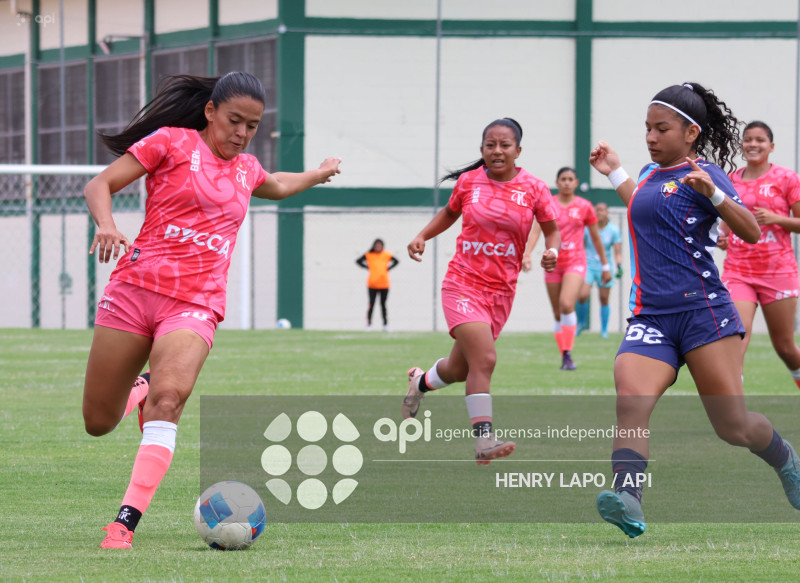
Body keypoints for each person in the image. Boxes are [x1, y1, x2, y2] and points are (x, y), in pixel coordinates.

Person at [82, 72, 341, 549]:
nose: (241, 133)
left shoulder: (246, 169)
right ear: (210, 113)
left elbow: (278, 185)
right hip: (134, 291)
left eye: (253, 126)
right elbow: (101, 183)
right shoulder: (170, 144)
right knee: (99, 422)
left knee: (170, 399)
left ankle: (124, 523)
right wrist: (106, 224)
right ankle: (138, 388)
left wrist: (317, 174)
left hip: (196, 303)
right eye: (234, 121)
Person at [589, 82, 800, 538]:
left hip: (704, 313)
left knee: (734, 427)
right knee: (631, 400)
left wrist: (716, 194)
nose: (650, 136)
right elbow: (647, 204)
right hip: (651, 317)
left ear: (690, 132)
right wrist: (614, 171)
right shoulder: (647, 174)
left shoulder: (706, 174)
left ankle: (785, 458)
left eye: (661, 128)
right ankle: (628, 499)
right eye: (647, 128)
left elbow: (749, 231)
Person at [402, 117, 560, 464]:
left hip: (501, 292)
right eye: (491, 145)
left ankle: (421, 382)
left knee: (461, 370)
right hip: (463, 283)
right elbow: (449, 213)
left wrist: (552, 252)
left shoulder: (534, 188)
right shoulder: (469, 182)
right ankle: (484, 439)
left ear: (518, 150)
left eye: (505, 145)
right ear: (482, 150)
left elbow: (551, 229)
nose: (498, 151)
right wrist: (421, 236)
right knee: (485, 359)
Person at [717, 121, 800, 390]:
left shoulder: (787, 178)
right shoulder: (730, 180)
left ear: (771, 146)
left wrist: (777, 218)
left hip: (779, 272)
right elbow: (725, 224)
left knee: (786, 347)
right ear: (742, 145)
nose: (753, 144)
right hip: (738, 271)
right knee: (737, 337)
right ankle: (734, 412)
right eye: (748, 139)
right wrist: (722, 238)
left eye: (760, 140)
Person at [523, 167, 611, 370]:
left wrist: (605, 266)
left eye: (570, 179)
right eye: (563, 179)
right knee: (557, 313)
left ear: (576, 182)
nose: (566, 182)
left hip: (576, 261)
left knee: (565, 304)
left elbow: (596, 238)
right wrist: (527, 254)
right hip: (552, 263)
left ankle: (568, 354)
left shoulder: (585, 206)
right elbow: (536, 230)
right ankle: (564, 355)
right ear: (557, 181)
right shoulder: (549, 203)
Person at [575, 202, 623, 338]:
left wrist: (619, 265)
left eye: (602, 210)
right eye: (597, 210)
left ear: (607, 213)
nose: (600, 212)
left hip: (605, 267)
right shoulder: (587, 229)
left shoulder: (613, 230)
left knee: (603, 298)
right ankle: (581, 324)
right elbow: (581, 246)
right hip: (588, 265)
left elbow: (617, 252)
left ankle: (604, 330)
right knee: (582, 295)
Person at [356, 238, 399, 331]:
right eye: (376, 245)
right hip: (372, 284)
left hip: (384, 284)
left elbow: (396, 261)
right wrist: (367, 267)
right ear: (374, 246)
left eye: (380, 245)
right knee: (371, 304)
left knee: (383, 304)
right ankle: (369, 324)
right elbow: (358, 261)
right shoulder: (369, 255)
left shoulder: (386, 254)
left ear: (382, 246)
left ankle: (385, 324)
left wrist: (388, 268)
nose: (378, 247)